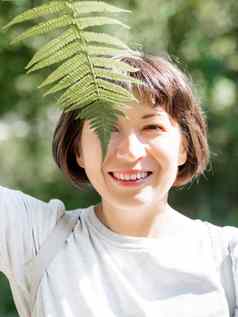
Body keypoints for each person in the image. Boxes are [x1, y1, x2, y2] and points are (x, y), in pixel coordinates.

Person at [0, 54, 237, 317]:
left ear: (183, 146)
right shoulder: (38, 240)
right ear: (78, 149)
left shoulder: (228, 259)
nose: (130, 152)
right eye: (108, 127)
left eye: (152, 127)